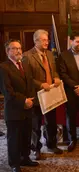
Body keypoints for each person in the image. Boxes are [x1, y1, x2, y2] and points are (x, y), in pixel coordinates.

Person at [23, 29, 63, 160]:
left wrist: (56, 77)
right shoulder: (27, 56)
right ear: (36, 41)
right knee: (35, 125)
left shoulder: (50, 54)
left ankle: (51, 144)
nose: (47, 42)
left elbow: (54, 71)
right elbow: (27, 77)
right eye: (44, 40)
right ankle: (36, 149)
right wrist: (40, 84)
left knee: (51, 122)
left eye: (47, 40)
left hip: (51, 95)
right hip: (37, 96)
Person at [0, 39, 39, 172]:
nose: (18, 51)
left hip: (28, 108)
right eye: (14, 48)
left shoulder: (24, 64)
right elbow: (7, 91)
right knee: (14, 139)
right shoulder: (3, 67)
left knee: (26, 136)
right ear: (7, 51)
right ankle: (15, 163)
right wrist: (24, 101)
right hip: (14, 110)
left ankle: (25, 158)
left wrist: (31, 100)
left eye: (20, 48)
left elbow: (31, 84)